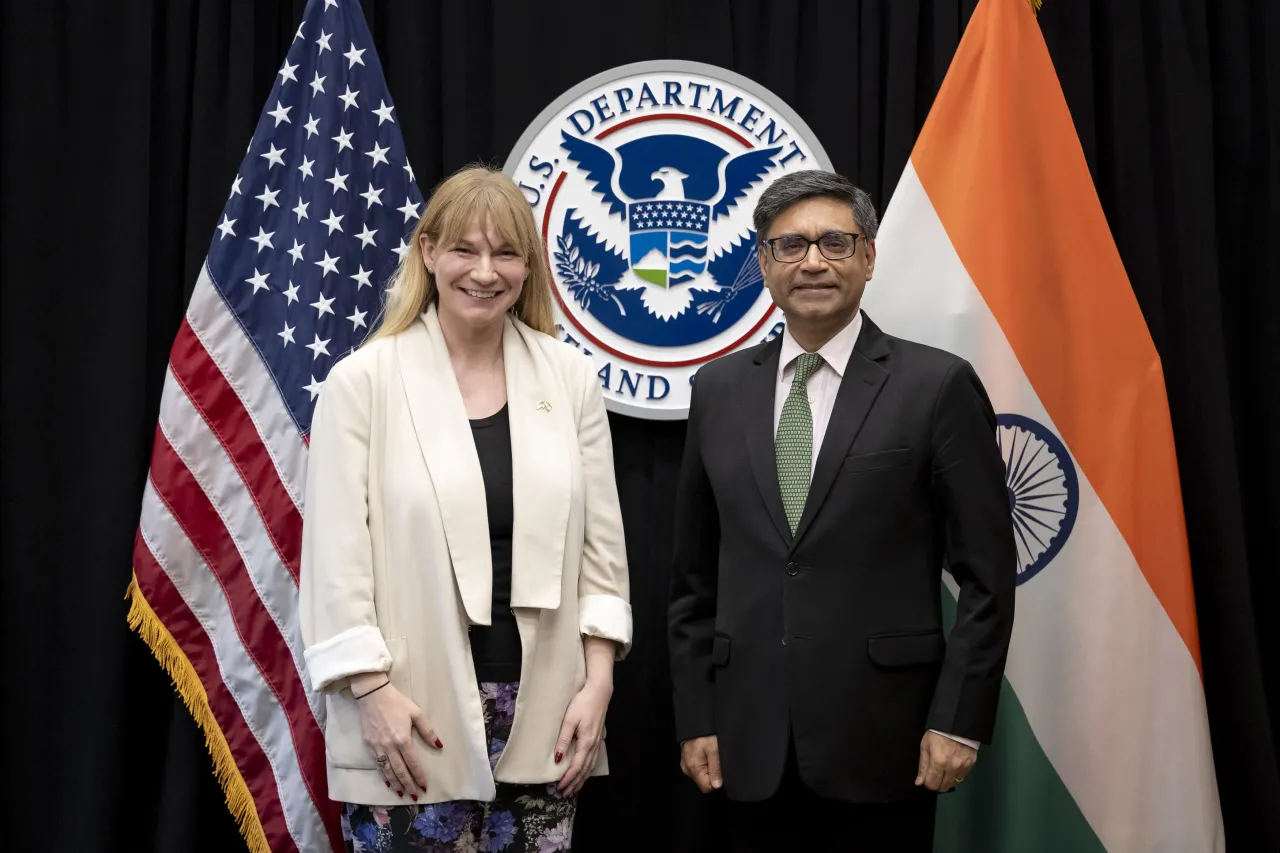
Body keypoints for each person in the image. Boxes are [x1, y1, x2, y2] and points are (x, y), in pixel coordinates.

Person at [667, 170, 1016, 852]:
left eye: (834, 240)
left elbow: (987, 577)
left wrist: (957, 720)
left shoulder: (936, 386)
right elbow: (692, 580)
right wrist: (696, 715)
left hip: (888, 740)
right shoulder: (717, 390)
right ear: (764, 265)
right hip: (747, 742)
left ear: (869, 256)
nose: (814, 261)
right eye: (790, 246)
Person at [300, 165, 632, 853]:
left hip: (549, 715)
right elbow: (334, 560)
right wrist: (371, 692)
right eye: (466, 249)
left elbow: (605, 555)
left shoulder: (569, 379)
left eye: (506, 253)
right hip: (409, 717)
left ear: (528, 267)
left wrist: (597, 683)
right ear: (428, 252)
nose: (486, 271)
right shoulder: (363, 382)